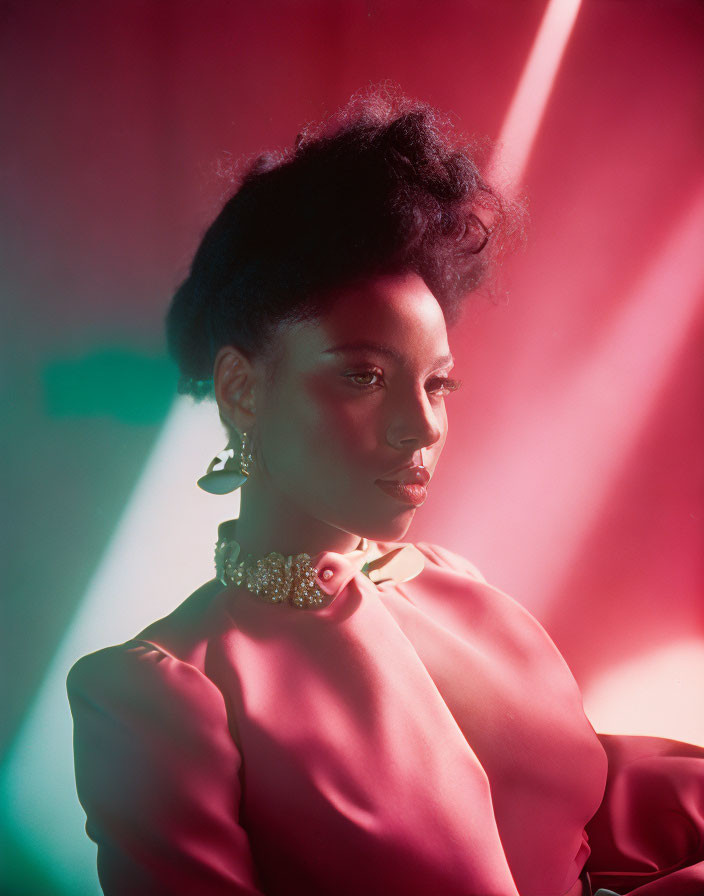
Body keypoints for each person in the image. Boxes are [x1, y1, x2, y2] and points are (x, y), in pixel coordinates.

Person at [67, 85, 704, 896]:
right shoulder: (158, 693)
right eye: (364, 375)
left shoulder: (455, 588)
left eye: (437, 385)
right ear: (242, 390)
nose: (421, 426)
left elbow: (583, 802)